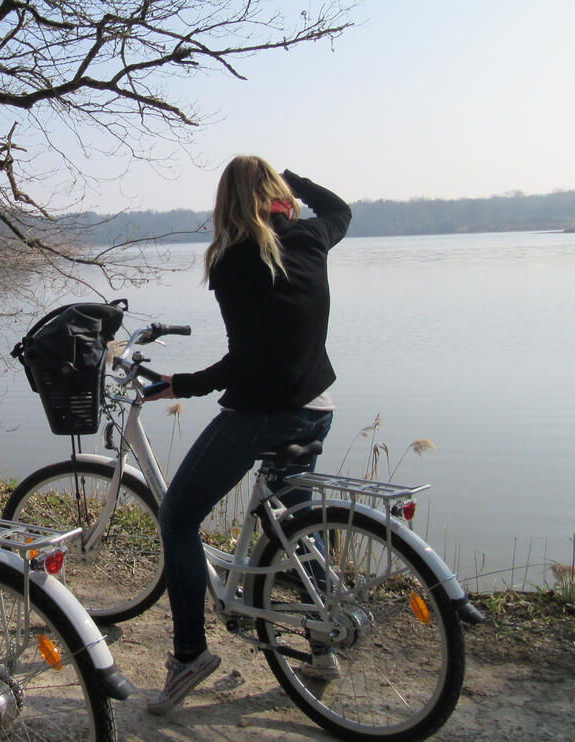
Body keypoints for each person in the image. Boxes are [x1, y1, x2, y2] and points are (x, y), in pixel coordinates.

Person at [142, 155, 351, 715]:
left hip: (265, 411)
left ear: (226, 203)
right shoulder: (310, 236)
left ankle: (189, 655)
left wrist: (182, 383)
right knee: (298, 529)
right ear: (279, 196)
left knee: (179, 517)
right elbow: (341, 209)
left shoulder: (236, 259)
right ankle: (322, 644)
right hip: (317, 405)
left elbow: (247, 358)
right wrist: (298, 180)